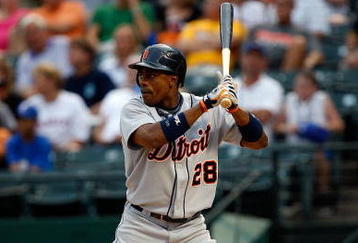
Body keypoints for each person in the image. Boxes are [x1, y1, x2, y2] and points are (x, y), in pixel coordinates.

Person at [113, 43, 268, 242]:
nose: (143, 81)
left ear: (172, 79)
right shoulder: (134, 108)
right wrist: (205, 105)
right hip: (142, 227)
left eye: (151, 75)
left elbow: (259, 141)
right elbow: (153, 137)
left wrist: (236, 109)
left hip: (192, 229)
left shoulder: (206, 108)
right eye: (141, 74)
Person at [274, 71, 344, 196]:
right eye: (299, 86)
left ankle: (322, 194)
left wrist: (316, 128)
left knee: (321, 158)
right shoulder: (290, 99)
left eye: (306, 86)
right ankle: (288, 197)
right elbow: (277, 126)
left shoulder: (322, 98)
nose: (302, 90)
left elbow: (339, 124)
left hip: (316, 147)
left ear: (314, 87)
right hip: (293, 148)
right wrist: (291, 128)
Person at [20, 63, 91, 152]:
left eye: (38, 80)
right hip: (37, 152)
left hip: (67, 153)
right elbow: (22, 134)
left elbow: (81, 134)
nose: (35, 84)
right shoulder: (29, 104)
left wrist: (72, 144)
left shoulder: (73, 101)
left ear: (51, 80)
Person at [248, 0, 324, 71]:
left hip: (287, 72)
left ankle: (285, 79)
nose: (281, 9)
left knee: (299, 41)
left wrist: (306, 65)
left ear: (292, 7)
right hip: (259, 70)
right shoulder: (259, 28)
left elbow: (317, 53)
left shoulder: (302, 32)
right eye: (279, 5)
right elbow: (245, 51)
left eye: (285, 5)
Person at [176, 0, 246, 70]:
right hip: (192, 67)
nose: (212, 6)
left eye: (215, 4)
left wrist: (199, 41)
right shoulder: (193, 25)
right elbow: (183, 45)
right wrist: (215, 42)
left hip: (219, 68)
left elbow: (231, 42)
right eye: (209, 4)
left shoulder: (232, 23)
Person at [235, 42, 284, 140]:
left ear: (264, 62)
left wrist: (234, 113)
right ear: (242, 59)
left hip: (258, 144)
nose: (252, 60)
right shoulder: (229, 85)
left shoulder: (273, 86)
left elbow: (264, 116)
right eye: (249, 56)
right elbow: (221, 117)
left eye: (257, 57)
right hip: (230, 144)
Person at [15, 14, 72, 97]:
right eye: (28, 34)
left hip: (69, 90)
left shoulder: (63, 43)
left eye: (35, 32)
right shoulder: (24, 59)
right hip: (41, 98)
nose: (32, 37)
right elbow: (23, 87)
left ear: (45, 31)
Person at [94, 55, 140, 145]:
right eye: (130, 69)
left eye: (136, 69)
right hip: (106, 145)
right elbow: (99, 127)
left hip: (132, 146)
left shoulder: (150, 98)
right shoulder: (113, 95)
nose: (133, 72)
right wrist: (103, 140)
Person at [64, 38, 114, 113]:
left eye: (75, 50)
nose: (71, 54)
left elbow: (111, 99)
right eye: (70, 51)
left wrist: (89, 113)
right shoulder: (67, 82)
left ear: (87, 55)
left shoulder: (101, 78)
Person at [87, 0, 155, 50]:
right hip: (106, 49)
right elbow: (91, 36)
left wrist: (135, 8)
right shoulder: (102, 10)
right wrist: (100, 50)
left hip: (134, 50)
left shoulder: (144, 9)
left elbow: (146, 36)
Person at [5, 106, 53, 173]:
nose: (24, 124)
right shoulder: (12, 141)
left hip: (42, 180)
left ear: (35, 122)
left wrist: (22, 168)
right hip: (18, 180)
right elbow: (13, 165)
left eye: (27, 121)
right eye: (21, 121)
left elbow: (37, 169)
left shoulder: (43, 142)